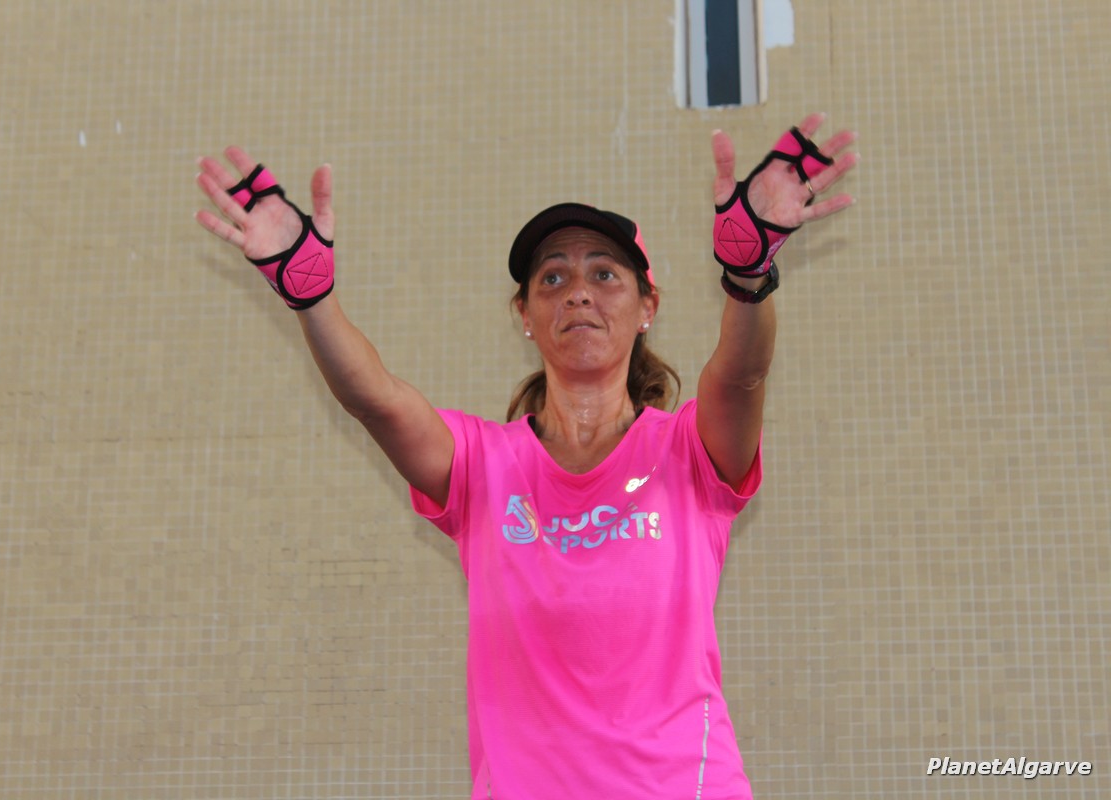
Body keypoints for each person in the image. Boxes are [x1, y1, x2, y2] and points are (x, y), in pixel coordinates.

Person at [196, 113, 857, 799]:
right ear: (525, 316)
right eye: (553, 278)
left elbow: (742, 374)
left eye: (606, 274)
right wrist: (310, 296)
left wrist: (748, 274)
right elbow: (376, 401)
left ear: (647, 307)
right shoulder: (480, 465)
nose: (578, 291)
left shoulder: (689, 450)